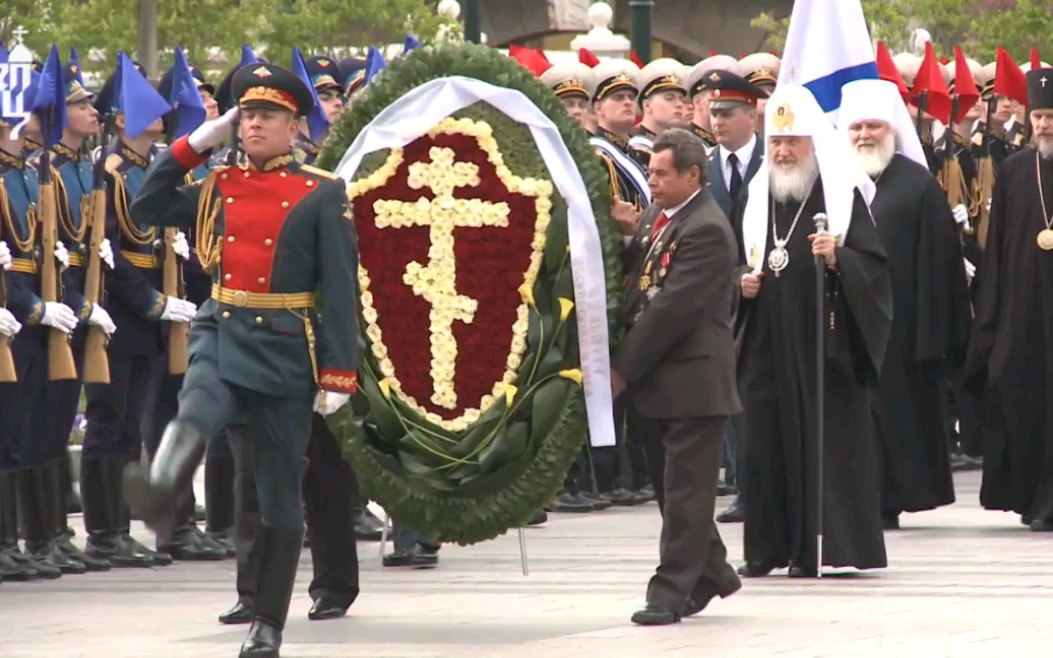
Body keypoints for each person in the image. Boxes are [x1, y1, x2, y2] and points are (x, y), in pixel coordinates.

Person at [122, 62, 360, 657]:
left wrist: (338, 373)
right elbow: (145, 205)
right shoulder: (218, 185)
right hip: (222, 329)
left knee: (280, 502)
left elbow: (339, 290)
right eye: (246, 115)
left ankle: (268, 623)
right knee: (198, 405)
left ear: (294, 126)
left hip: (285, 347)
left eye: (268, 115)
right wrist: (197, 141)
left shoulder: (323, 192)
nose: (254, 124)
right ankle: (160, 486)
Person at [735, 84, 892, 578]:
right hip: (766, 344)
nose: (782, 152)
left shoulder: (840, 196)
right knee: (763, 443)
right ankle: (766, 548)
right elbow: (733, 256)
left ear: (814, 145)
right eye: (776, 141)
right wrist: (739, 282)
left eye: (793, 142)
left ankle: (818, 548)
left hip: (823, 345)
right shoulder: (757, 192)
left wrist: (839, 256)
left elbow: (876, 268)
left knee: (819, 446)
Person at [614, 128, 741, 625]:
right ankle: (712, 574)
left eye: (662, 173)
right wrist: (625, 234)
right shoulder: (659, 216)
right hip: (659, 383)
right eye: (650, 172)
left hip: (692, 384)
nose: (653, 180)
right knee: (673, 493)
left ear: (693, 175)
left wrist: (622, 369)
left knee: (687, 492)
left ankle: (669, 591)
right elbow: (641, 275)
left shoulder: (706, 227)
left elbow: (671, 309)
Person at [838, 79, 972, 529]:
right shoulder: (834, 183)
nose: (863, 135)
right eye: (855, 127)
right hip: (844, 326)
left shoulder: (917, 187)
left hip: (903, 330)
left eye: (873, 126)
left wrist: (933, 338)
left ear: (891, 129)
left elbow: (940, 269)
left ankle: (891, 499)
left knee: (896, 418)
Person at [965, 67, 1053, 532]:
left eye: (1052, 116)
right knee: (1023, 398)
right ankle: (1030, 495)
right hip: (1021, 311)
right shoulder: (1017, 169)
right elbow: (996, 247)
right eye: (1038, 116)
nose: (1044, 125)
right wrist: (990, 317)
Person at [702, 68, 767, 522]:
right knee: (727, 393)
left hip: (770, 293)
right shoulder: (702, 168)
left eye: (727, 113)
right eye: (713, 113)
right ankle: (743, 484)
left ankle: (762, 482)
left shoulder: (777, 157)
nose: (718, 121)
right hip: (720, 296)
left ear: (752, 113)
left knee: (760, 394)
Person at [629, 58, 688, 167]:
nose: (679, 104)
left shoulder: (677, 147)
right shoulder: (638, 151)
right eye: (669, 98)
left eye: (681, 98)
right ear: (647, 105)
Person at [684, 55, 738, 149]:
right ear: (698, 102)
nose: (725, 102)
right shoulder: (685, 145)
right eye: (717, 96)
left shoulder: (726, 144)